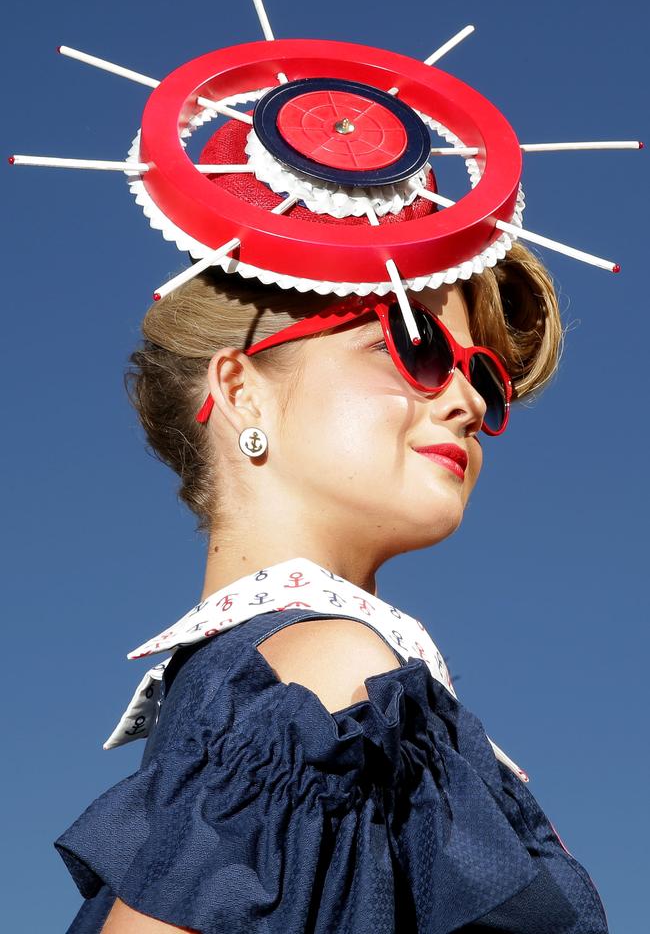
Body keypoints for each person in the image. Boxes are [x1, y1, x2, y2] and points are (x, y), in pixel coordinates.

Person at [53, 240, 610, 933]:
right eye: (413, 347)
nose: (468, 402)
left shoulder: (280, 689)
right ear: (239, 390)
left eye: (484, 378)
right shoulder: (327, 682)